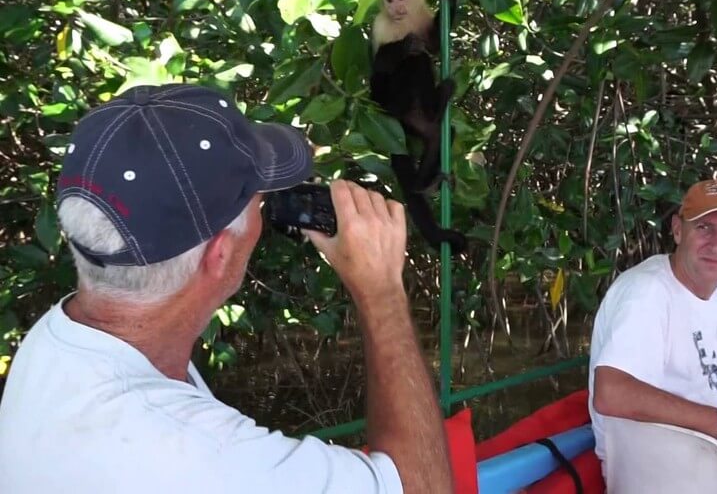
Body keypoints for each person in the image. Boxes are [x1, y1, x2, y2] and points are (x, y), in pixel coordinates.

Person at [0, 84, 453, 494]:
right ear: (218, 253)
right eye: (259, 201)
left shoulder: (53, 345)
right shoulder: (199, 456)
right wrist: (381, 292)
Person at [589, 178, 717, 494]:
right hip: (657, 472)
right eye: (704, 227)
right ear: (678, 229)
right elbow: (611, 393)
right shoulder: (647, 293)